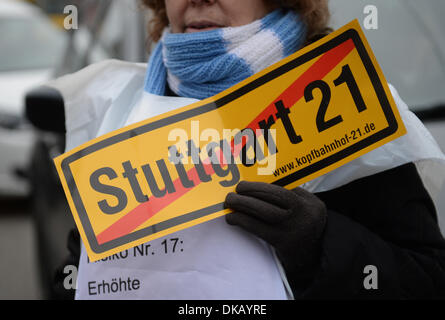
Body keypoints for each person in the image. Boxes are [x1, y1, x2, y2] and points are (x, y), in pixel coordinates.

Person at [53, 0, 445, 299]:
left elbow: (426, 278)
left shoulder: (339, 100)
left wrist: (321, 245)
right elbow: (78, 277)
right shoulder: (124, 109)